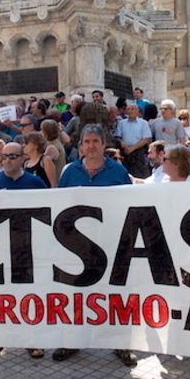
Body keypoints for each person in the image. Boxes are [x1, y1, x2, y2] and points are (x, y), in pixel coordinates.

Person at [56, 124, 136, 366]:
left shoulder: (118, 172)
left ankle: (120, 344)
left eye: (95, 141)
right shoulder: (69, 172)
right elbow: (59, 204)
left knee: (115, 295)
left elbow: (130, 204)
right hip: (75, 246)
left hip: (110, 242)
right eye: (86, 141)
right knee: (76, 295)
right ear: (81, 146)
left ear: (103, 144)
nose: (91, 145)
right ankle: (72, 341)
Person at [0, 142, 47, 359]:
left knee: (27, 296)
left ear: (22, 159)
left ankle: (31, 339)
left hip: (26, 248)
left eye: (12, 156)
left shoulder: (36, 183)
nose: (7, 160)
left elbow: (48, 211)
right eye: (5, 156)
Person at [115, 103, 152, 178]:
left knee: (139, 174)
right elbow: (117, 137)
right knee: (125, 174)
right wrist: (122, 142)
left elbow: (146, 139)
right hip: (125, 152)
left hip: (138, 152)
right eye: (128, 109)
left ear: (137, 111)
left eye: (132, 109)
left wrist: (132, 148)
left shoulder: (143, 123)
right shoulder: (122, 123)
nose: (130, 111)